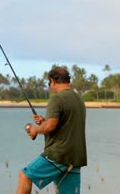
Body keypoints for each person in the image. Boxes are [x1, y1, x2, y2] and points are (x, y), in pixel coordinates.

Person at [17, 66, 87, 194]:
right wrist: (44, 121)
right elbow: (65, 124)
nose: (49, 86)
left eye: (49, 83)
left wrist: (35, 129)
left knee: (25, 176)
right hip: (75, 158)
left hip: (58, 155)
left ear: (53, 81)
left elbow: (50, 126)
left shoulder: (57, 98)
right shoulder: (79, 99)